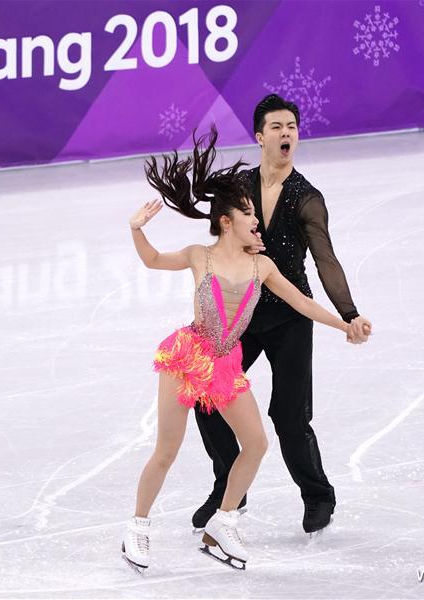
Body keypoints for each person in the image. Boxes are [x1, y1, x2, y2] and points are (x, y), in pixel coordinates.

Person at [121, 127, 360, 573]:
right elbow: (153, 260)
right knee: (167, 451)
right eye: (249, 215)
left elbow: (303, 302)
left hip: (226, 363)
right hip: (188, 357)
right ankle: (137, 526)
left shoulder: (262, 265)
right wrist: (136, 228)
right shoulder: (198, 255)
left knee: (255, 443)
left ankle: (223, 523)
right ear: (227, 223)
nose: (257, 221)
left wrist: (345, 322)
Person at [191, 94, 373, 537]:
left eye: (291, 125)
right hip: (245, 315)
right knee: (206, 400)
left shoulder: (306, 197)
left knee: (289, 417)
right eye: (276, 126)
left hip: (291, 316)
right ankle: (230, 487)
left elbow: (325, 259)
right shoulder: (240, 191)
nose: (286, 132)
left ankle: (318, 496)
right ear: (260, 136)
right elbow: (220, 239)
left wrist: (348, 314)